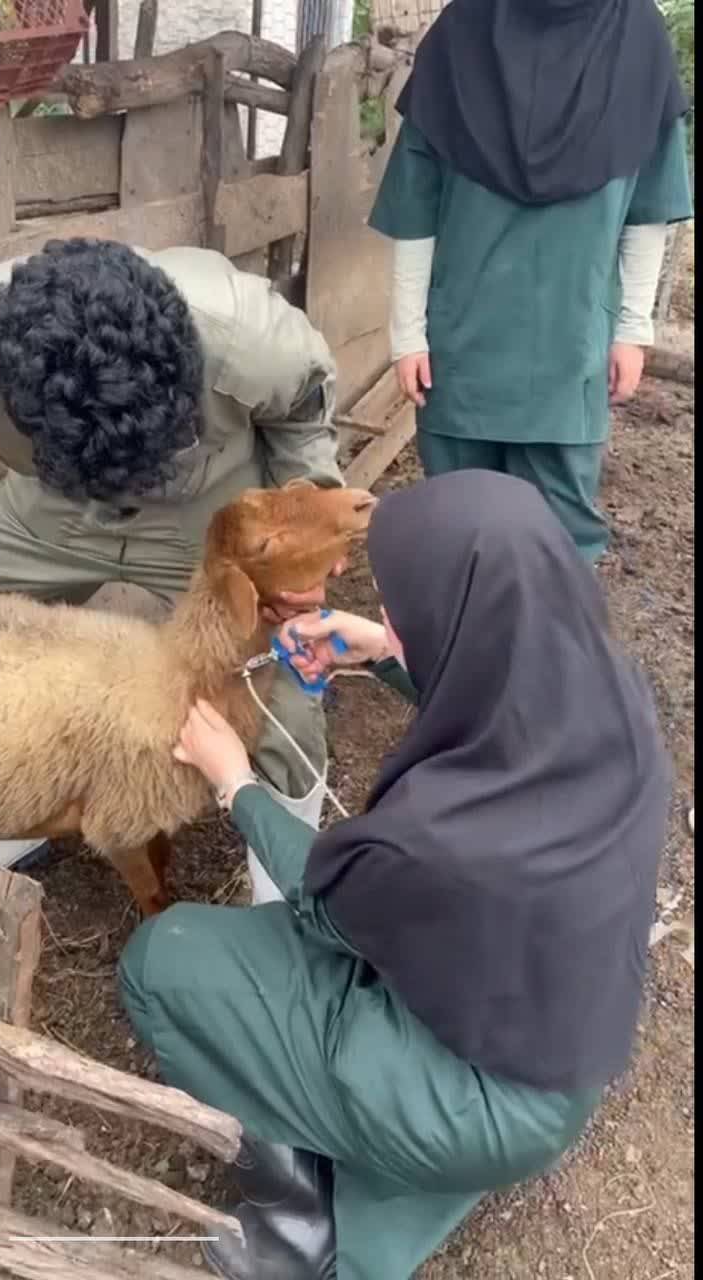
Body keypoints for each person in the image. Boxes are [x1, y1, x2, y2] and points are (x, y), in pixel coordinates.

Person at [118, 470, 671, 1280]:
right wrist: (384, 653)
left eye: (403, 615)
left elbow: (324, 905)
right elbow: (499, 693)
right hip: (558, 1047)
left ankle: (294, 1215)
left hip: (473, 1103)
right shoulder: (616, 703)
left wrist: (234, 780)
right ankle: (397, 1154)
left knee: (165, 959)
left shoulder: (436, 840)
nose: (388, 621)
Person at [0, 238, 343, 895]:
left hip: (202, 512)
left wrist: (297, 532)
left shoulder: (249, 339)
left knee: (281, 686)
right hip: (54, 505)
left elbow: (306, 408)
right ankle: (21, 796)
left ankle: (287, 889)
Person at [368, 0, 693, 563]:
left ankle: (543, 652)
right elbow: (416, 207)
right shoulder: (462, 30)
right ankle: (456, 653)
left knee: (557, 548)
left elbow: (647, 210)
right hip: (463, 352)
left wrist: (634, 330)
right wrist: (407, 335)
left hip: (570, 352)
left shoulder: (635, 33)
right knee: (456, 537)